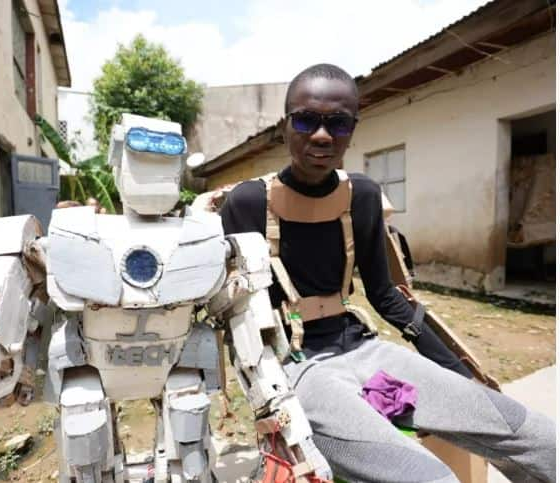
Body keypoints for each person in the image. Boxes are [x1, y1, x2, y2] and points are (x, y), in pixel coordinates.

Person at [220, 63, 555, 483]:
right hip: (297, 368)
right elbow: (235, 314)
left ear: (352, 129)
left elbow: (387, 295)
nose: (321, 136)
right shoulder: (247, 202)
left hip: (366, 355)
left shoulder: (360, 196)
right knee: (428, 478)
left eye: (337, 124)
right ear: (285, 126)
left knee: (536, 436)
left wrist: (459, 372)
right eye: (305, 120)